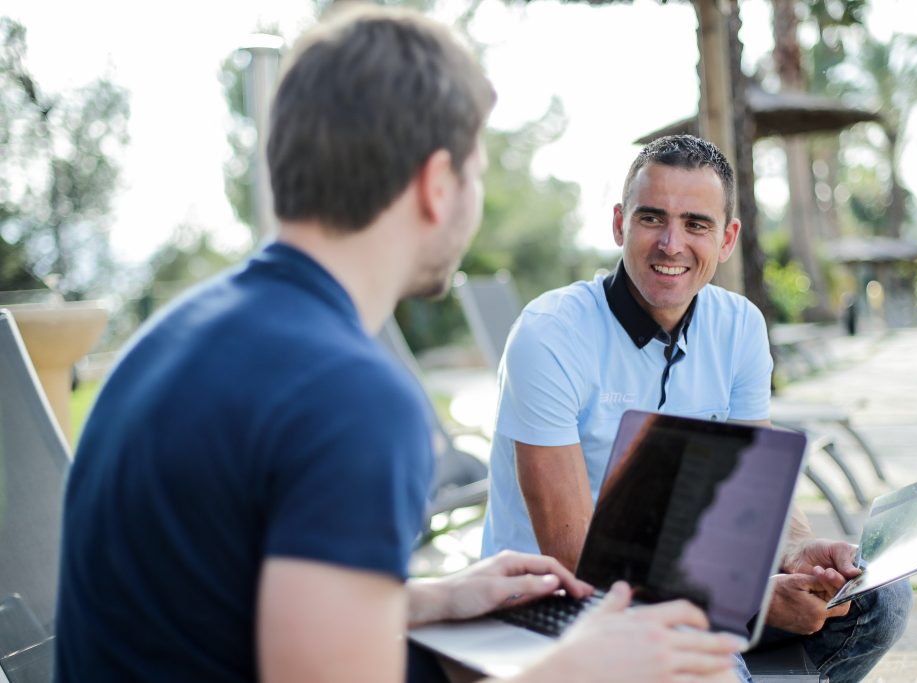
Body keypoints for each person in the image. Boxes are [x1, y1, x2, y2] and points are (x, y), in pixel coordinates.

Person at [54, 8, 745, 683]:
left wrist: (429, 596)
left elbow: (223, 606)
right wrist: (576, 668)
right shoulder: (349, 395)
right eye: (476, 173)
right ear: (435, 185)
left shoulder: (170, 339)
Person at [480, 134, 912, 683]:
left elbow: (752, 497)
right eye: (651, 218)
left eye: (696, 225)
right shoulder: (550, 336)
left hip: (688, 587)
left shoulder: (740, 327)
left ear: (728, 238)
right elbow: (573, 557)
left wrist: (799, 550)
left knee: (881, 600)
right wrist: (747, 603)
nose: (671, 243)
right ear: (619, 224)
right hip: (557, 607)